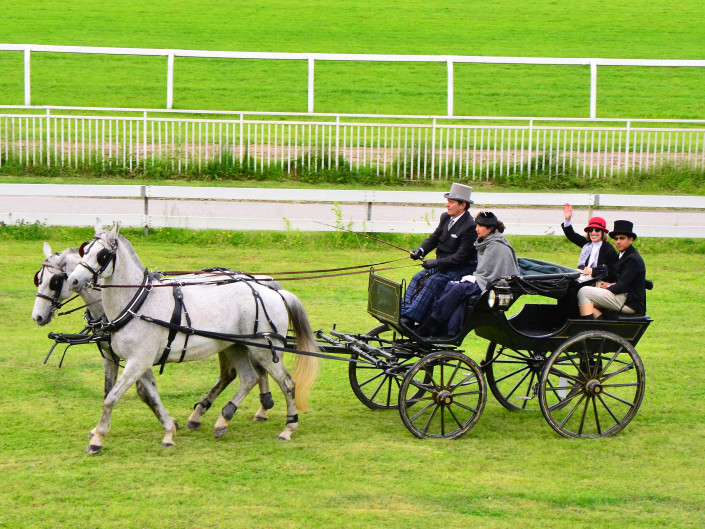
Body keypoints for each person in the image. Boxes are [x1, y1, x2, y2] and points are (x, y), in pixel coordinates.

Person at [417, 211, 520, 338]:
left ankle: (431, 326)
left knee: (458, 289)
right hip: (485, 281)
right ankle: (447, 331)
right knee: (451, 285)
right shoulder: (486, 242)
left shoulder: (497, 246)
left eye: (480, 226)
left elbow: (494, 274)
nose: (476, 229)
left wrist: (475, 278)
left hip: (495, 287)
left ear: (490, 228)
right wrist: (474, 277)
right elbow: (484, 270)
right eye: (476, 225)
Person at [401, 183, 478, 327]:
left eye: (451, 202)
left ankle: (412, 318)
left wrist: (435, 263)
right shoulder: (445, 217)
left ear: (462, 205)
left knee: (433, 281)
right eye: (447, 201)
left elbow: (460, 257)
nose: (447, 205)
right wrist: (421, 251)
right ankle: (404, 312)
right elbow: (434, 238)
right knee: (417, 277)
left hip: (460, 268)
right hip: (444, 264)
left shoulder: (470, 227)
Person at [577, 220, 647, 319]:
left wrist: (608, 286)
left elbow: (621, 286)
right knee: (579, 295)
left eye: (622, 238)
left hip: (629, 302)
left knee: (583, 292)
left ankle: (592, 325)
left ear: (630, 240)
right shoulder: (622, 254)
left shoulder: (632, 259)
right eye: (616, 239)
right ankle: (598, 318)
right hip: (622, 295)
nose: (618, 242)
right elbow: (624, 280)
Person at [561, 203, 618, 282]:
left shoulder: (609, 250)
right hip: (582, 275)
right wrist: (567, 219)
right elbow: (571, 235)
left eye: (597, 230)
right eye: (590, 230)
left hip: (597, 281)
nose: (593, 233)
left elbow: (612, 274)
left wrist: (593, 272)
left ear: (603, 232)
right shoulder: (587, 244)